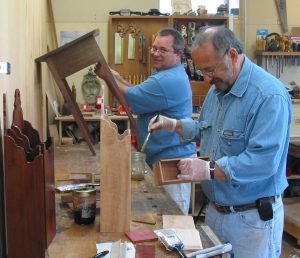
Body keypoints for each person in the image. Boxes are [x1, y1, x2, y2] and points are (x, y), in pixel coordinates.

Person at [149, 26, 292, 258]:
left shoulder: (269, 96)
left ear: (232, 55)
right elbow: (207, 131)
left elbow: (263, 162)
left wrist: (209, 169)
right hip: (215, 212)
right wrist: (173, 124)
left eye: (209, 69)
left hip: (251, 221)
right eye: (202, 70)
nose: (206, 78)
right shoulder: (218, 89)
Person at [94, 27, 196, 215]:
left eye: (162, 50)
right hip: (163, 160)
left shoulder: (169, 79)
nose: (155, 54)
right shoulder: (164, 74)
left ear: (178, 54)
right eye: (154, 48)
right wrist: (117, 78)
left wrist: (108, 77)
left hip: (173, 165)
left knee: (173, 225)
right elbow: (138, 92)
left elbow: (132, 100)